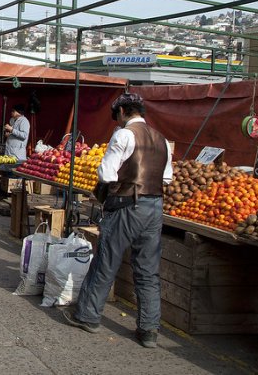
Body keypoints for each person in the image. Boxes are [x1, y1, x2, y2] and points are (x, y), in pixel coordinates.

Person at [62, 92, 173, 349]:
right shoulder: (162, 139)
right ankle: (149, 330)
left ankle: (87, 316)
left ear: (122, 112)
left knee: (106, 262)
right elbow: (166, 178)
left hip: (126, 205)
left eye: (117, 115)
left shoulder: (123, 134)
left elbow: (107, 172)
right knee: (147, 270)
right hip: (154, 206)